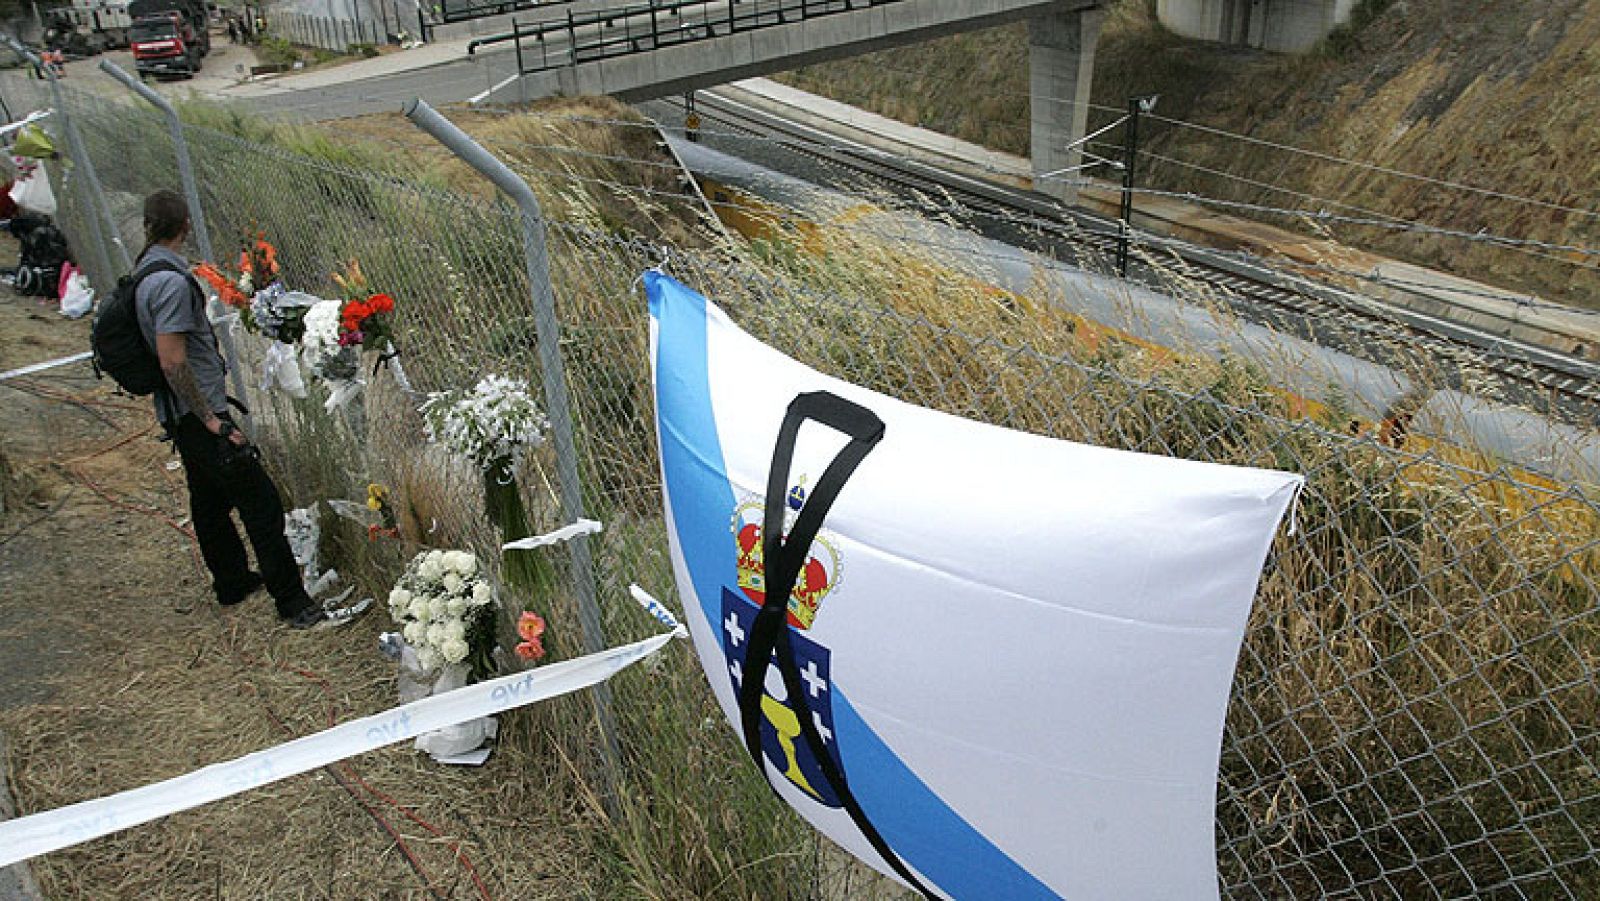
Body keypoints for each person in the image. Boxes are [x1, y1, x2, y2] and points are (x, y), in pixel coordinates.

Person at [134, 190, 335, 629]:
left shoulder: (146, 269)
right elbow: (172, 359)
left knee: (207, 500)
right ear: (185, 224)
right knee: (259, 502)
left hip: (182, 413)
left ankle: (231, 581)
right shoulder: (168, 282)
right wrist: (211, 420)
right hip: (197, 413)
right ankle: (294, 603)